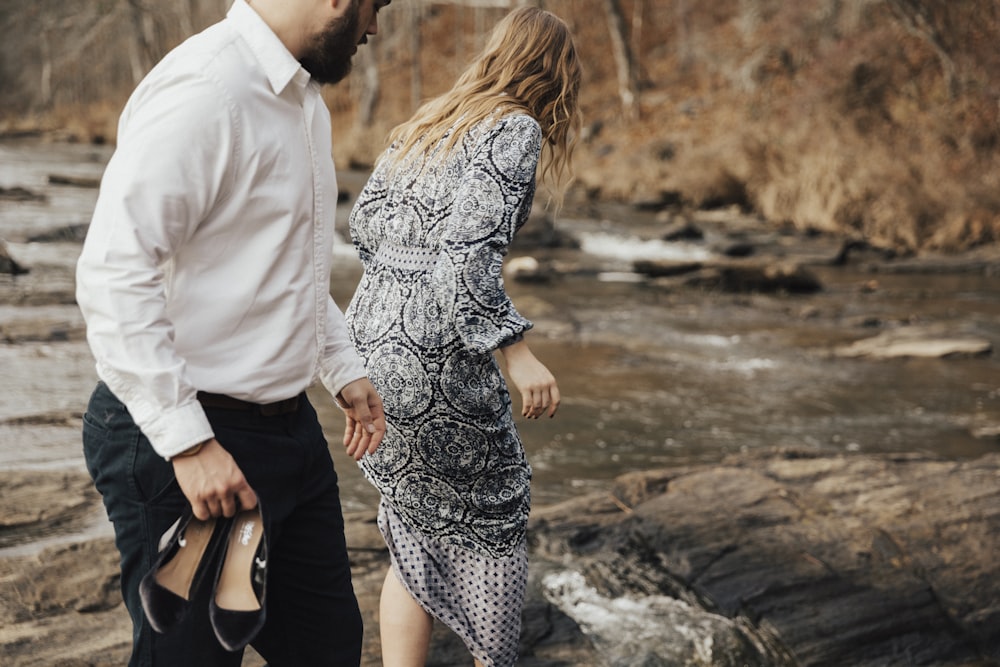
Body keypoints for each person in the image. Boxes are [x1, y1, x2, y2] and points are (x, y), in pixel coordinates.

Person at [75, 0, 394, 664]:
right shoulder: (205, 89)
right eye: (375, 7)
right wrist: (188, 444)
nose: (374, 29)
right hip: (192, 442)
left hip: (289, 436)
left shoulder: (303, 101)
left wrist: (342, 363)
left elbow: (287, 264)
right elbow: (112, 272)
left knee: (329, 648)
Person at [344, 7, 582, 666]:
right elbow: (466, 259)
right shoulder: (515, 128)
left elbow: (362, 225)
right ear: (555, 72)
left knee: (414, 526)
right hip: (432, 352)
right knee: (496, 518)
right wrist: (518, 349)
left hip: (370, 342)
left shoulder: (429, 121)